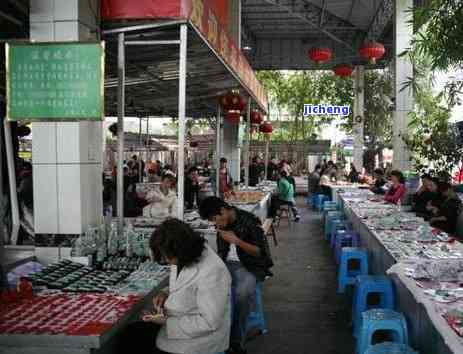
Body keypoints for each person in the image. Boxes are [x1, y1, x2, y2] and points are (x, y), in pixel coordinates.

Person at [119, 219, 231, 354]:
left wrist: (166, 322)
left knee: (134, 343)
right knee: (130, 334)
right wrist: (165, 293)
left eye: (168, 257)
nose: (166, 260)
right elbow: (185, 284)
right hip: (177, 324)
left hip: (198, 341)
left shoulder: (213, 271)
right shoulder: (183, 257)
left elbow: (209, 323)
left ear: (181, 251)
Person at [199, 197, 273, 354]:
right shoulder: (222, 225)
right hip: (227, 265)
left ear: (223, 211)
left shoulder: (249, 221)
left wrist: (237, 241)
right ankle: (210, 337)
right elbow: (221, 253)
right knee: (204, 285)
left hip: (251, 266)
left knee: (242, 293)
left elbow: (260, 252)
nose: (216, 224)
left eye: (215, 219)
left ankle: (235, 341)